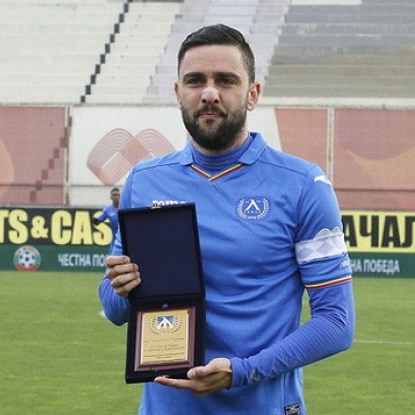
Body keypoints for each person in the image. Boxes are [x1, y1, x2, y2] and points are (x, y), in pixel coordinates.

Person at [98, 24, 355, 414]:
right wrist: (121, 287)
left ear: (253, 94)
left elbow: (337, 322)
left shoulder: (303, 185)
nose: (209, 93)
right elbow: (115, 310)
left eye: (226, 80)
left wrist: (243, 371)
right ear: (178, 92)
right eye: (195, 81)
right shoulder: (144, 181)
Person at [94, 187, 120, 253]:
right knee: (113, 255)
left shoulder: (125, 207)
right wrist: (95, 221)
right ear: (111, 197)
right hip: (115, 239)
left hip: (125, 237)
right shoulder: (108, 210)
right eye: (114, 195)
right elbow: (98, 221)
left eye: (118, 195)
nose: (116, 197)